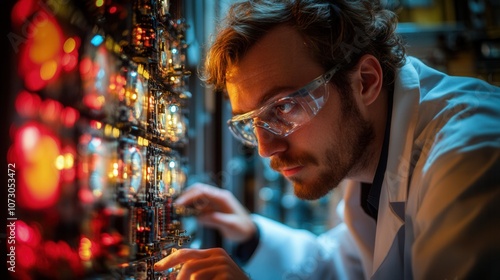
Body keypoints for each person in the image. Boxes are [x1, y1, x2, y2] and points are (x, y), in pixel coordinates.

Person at [154, 0, 500, 279]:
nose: (265, 149)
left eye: (285, 107)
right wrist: (251, 236)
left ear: (364, 81)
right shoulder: (369, 152)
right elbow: (342, 267)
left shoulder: (470, 157)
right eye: (252, 122)